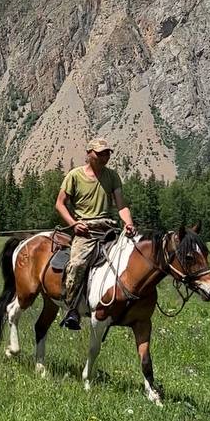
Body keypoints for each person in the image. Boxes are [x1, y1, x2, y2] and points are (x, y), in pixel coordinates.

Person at [55, 139, 134, 330]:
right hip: (85, 230)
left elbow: (121, 205)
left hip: (108, 228)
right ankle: (71, 310)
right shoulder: (74, 176)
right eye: (100, 153)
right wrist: (74, 224)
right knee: (77, 264)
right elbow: (60, 203)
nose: (104, 157)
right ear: (89, 153)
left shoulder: (112, 176)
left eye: (107, 153)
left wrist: (129, 223)